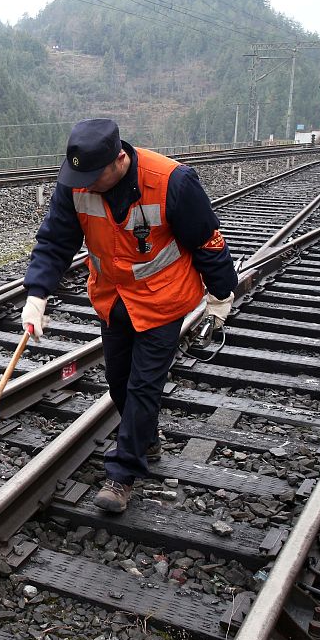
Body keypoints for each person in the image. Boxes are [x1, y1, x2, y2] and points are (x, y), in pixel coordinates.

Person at [21, 118, 237, 513]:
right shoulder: (76, 183)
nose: (85, 185)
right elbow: (55, 241)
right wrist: (37, 294)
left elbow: (207, 240)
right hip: (112, 298)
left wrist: (221, 293)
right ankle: (146, 439)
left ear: (119, 160)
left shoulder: (172, 182)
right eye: (80, 177)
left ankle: (122, 474)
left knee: (143, 386)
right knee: (118, 380)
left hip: (163, 299)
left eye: (93, 176)